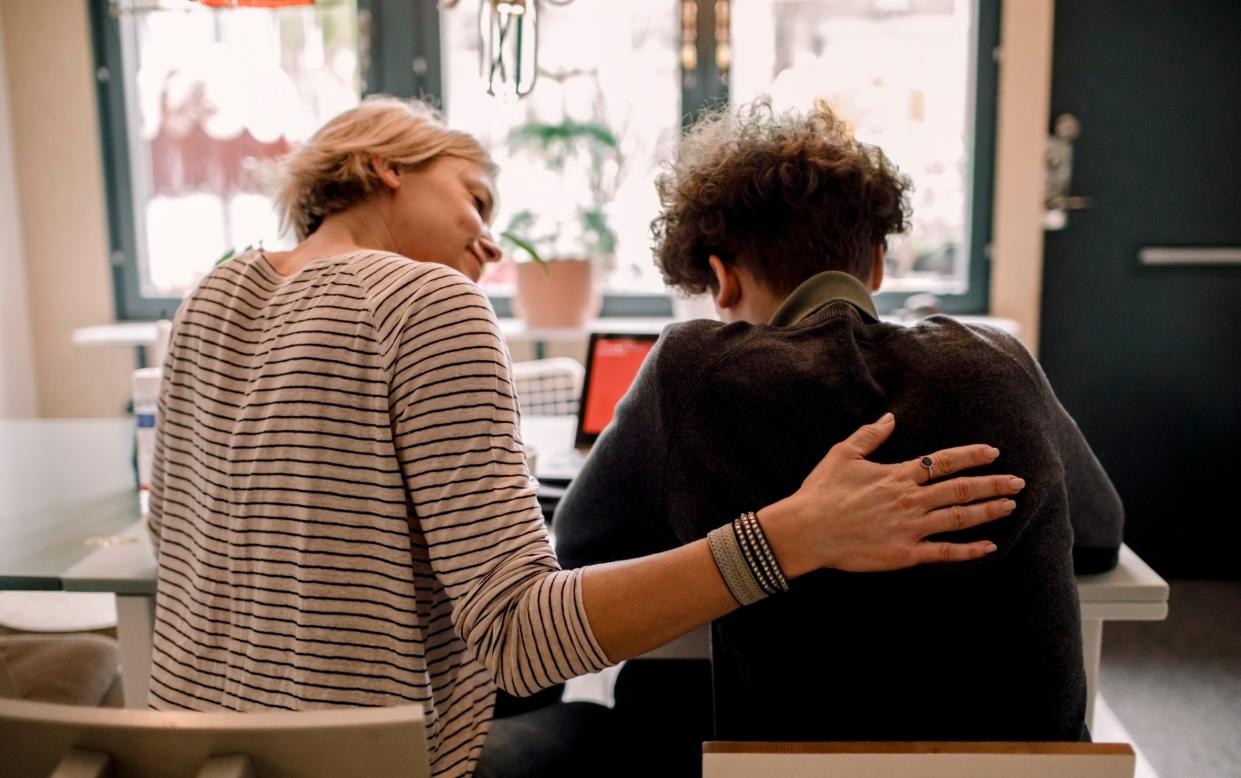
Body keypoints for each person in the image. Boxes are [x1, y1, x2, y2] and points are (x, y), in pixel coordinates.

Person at [145, 97, 1023, 778]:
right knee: (624, 728)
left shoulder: (209, 297)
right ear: (384, 167)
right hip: (373, 767)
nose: (490, 247)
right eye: (475, 200)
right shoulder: (429, 302)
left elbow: (175, 540)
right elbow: (523, 638)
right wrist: (796, 534)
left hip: (202, 759)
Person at [554, 99, 1124, 766]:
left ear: (720, 277)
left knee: (653, 687)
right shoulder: (995, 359)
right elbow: (1097, 534)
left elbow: (581, 545)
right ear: (877, 265)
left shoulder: (694, 370)